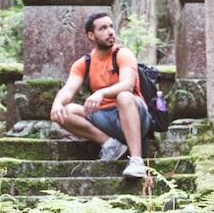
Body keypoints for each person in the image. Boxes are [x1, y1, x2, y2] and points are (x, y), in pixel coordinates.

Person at [50, 12, 152, 179]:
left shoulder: (122, 54)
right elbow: (68, 89)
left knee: (124, 96)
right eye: (103, 28)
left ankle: (136, 160)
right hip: (104, 119)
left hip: (134, 116)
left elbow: (128, 84)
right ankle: (111, 145)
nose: (110, 31)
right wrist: (56, 104)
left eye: (111, 26)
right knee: (65, 111)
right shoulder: (84, 63)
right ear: (91, 35)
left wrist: (101, 92)